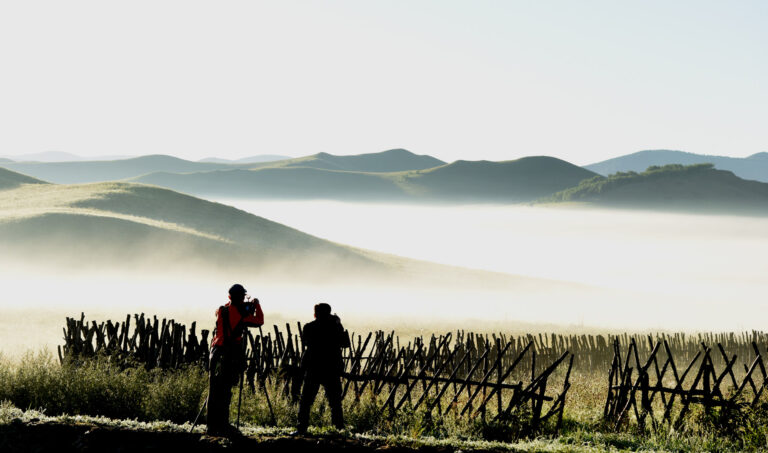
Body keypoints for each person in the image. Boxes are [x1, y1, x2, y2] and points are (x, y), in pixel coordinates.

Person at [207, 283, 264, 436]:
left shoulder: (221, 310)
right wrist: (256, 305)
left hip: (215, 352)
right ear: (241, 297)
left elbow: (230, 308)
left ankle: (211, 426)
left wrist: (243, 305)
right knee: (225, 390)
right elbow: (259, 321)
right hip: (229, 353)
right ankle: (223, 425)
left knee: (214, 390)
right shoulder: (242, 313)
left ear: (229, 296)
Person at [294, 303, 351, 435]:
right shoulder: (335, 327)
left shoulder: (309, 327)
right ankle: (339, 430)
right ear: (329, 313)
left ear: (315, 314)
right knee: (335, 402)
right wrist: (338, 324)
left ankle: (301, 428)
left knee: (306, 401)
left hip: (313, 367)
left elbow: (305, 342)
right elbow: (346, 344)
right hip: (331, 368)